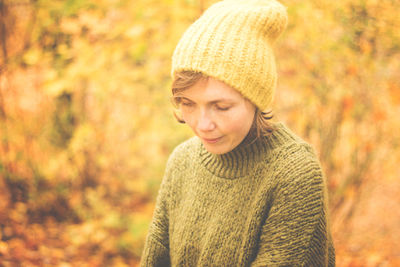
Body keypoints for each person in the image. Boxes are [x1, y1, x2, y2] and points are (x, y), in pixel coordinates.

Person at [140, 0, 335, 266]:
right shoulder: (182, 161)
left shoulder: (293, 172)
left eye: (221, 107)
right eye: (188, 104)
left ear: (256, 99)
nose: (202, 124)